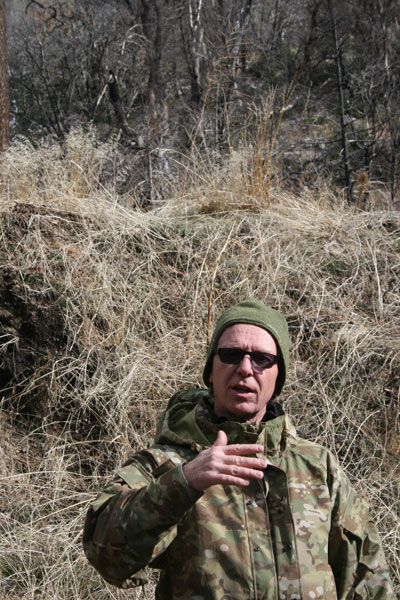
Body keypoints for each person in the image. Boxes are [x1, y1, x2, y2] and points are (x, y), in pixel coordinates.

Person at [83, 299, 395, 599]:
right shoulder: (167, 464)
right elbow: (106, 556)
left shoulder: (319, 467)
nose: (245, 368)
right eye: (232, 355)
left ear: (277, 377)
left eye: (261, 359)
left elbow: (366, 579)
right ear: (210, 371)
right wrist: (184, 482)